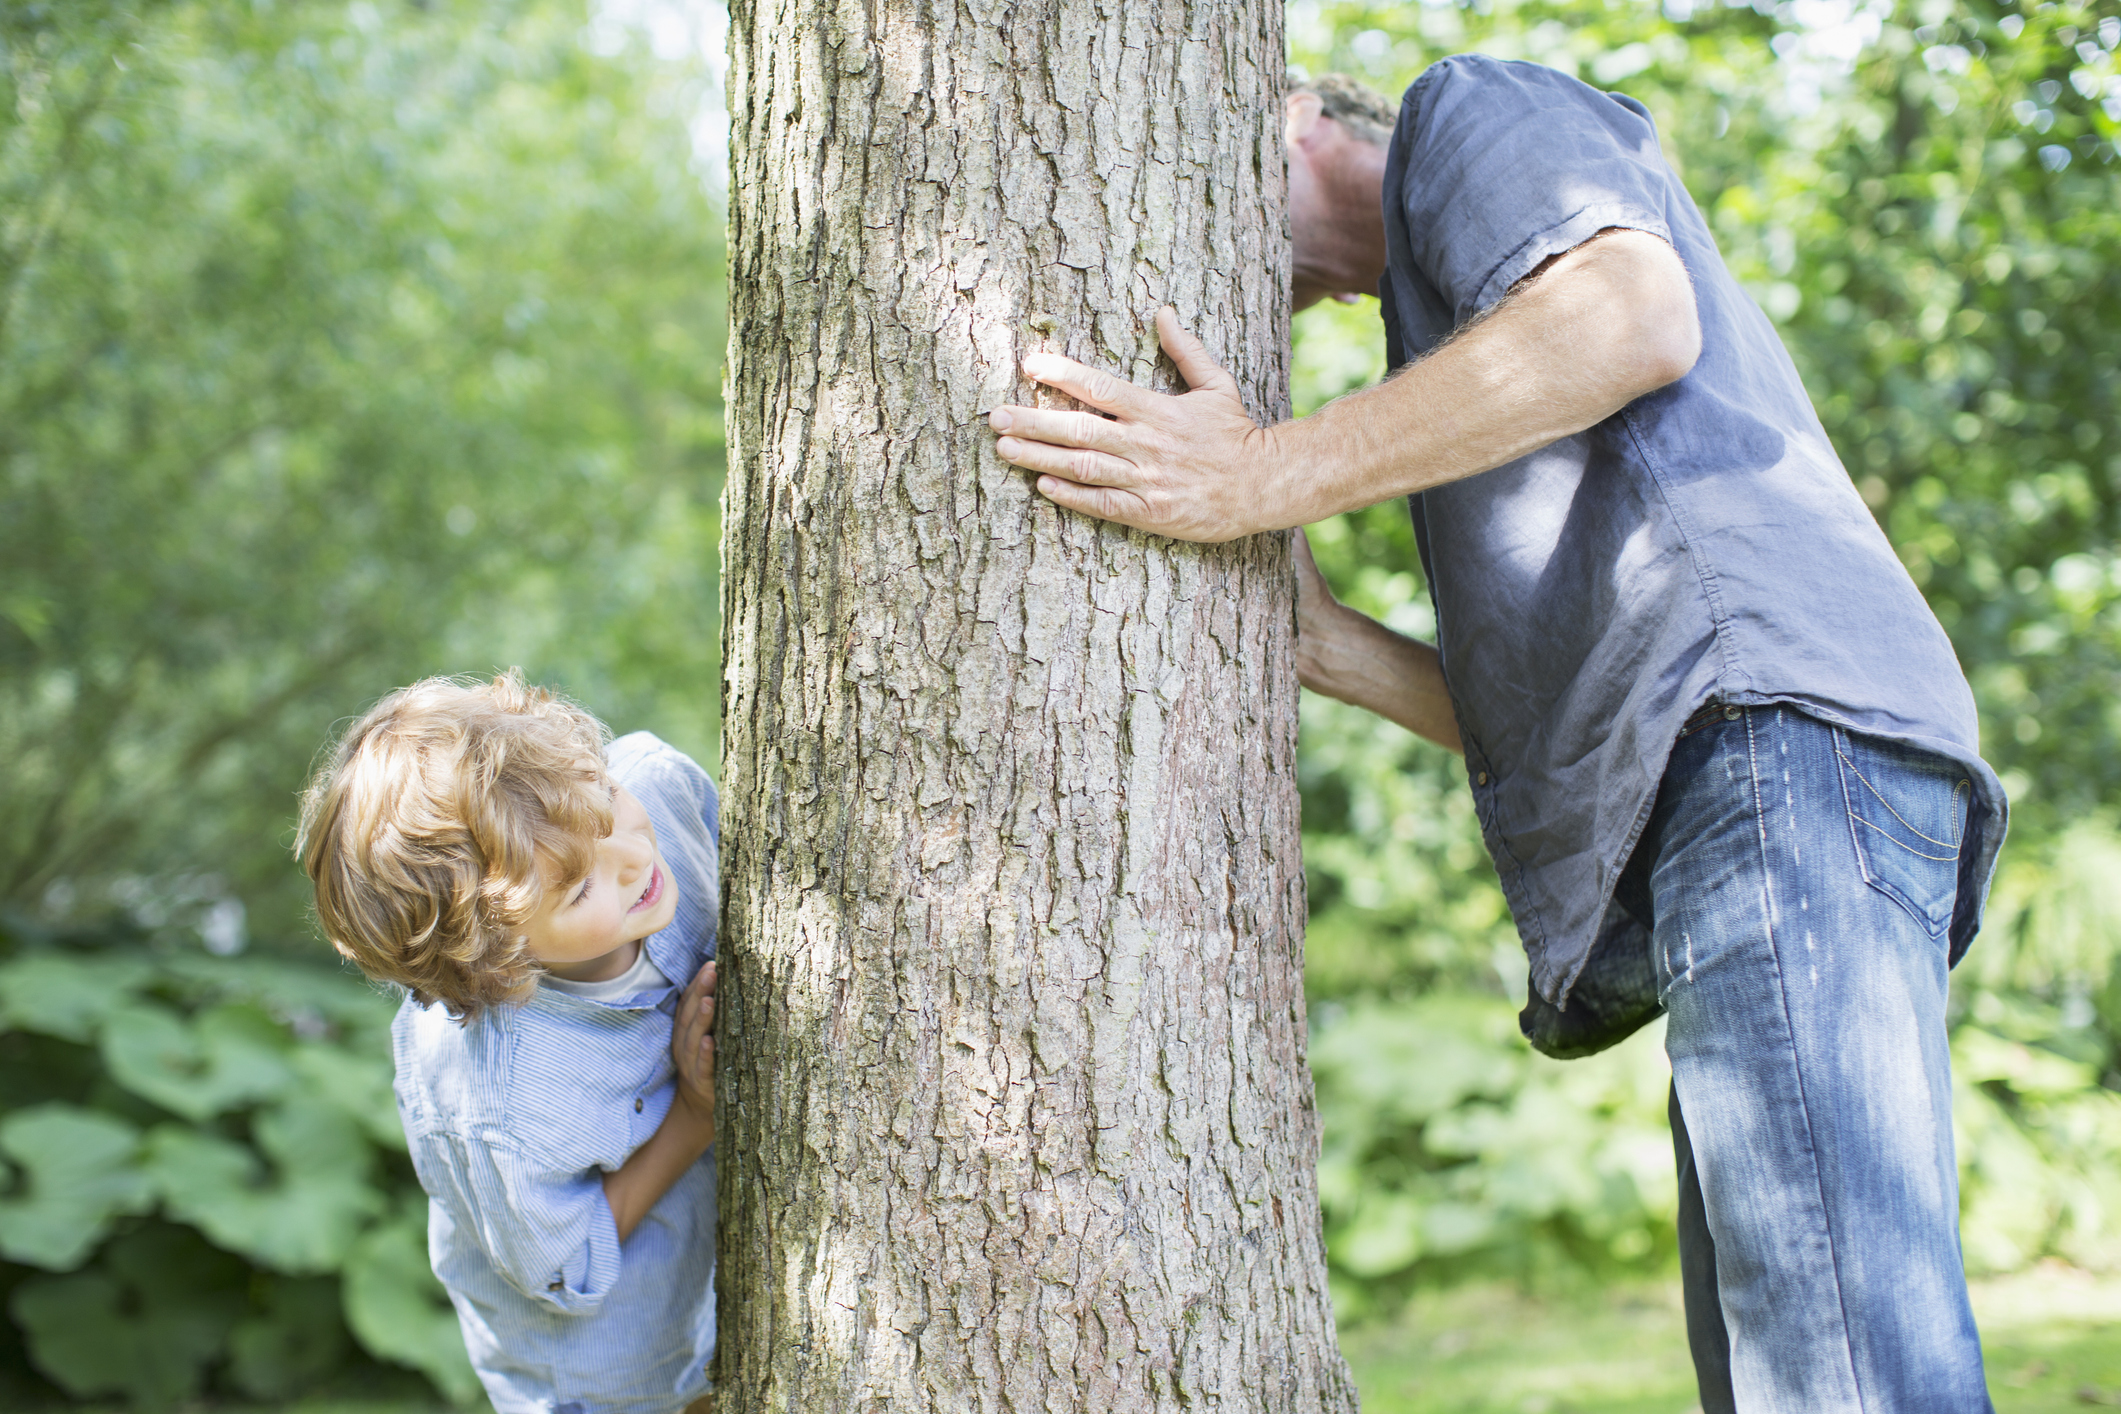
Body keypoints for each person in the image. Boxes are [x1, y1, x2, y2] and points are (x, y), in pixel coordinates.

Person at [988, 59, 2005, 1414]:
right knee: (1781, 1361)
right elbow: (1591, 701)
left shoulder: (1470, 109)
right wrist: (1330, 645)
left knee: (1840, 1370)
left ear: (1288, 115)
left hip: (1775, 744)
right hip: (1757, 760)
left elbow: (1632, 315)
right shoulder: (1446, 323)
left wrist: (1255, 473)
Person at [297, 671, 721, 1414]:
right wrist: (693, 1112)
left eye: (604, 803)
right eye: (578, 889)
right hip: (613, 1374)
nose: (628, 857)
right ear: (494, 954)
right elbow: (564, 1268)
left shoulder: (658, 793)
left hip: (717, 1285)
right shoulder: (505, 1103)